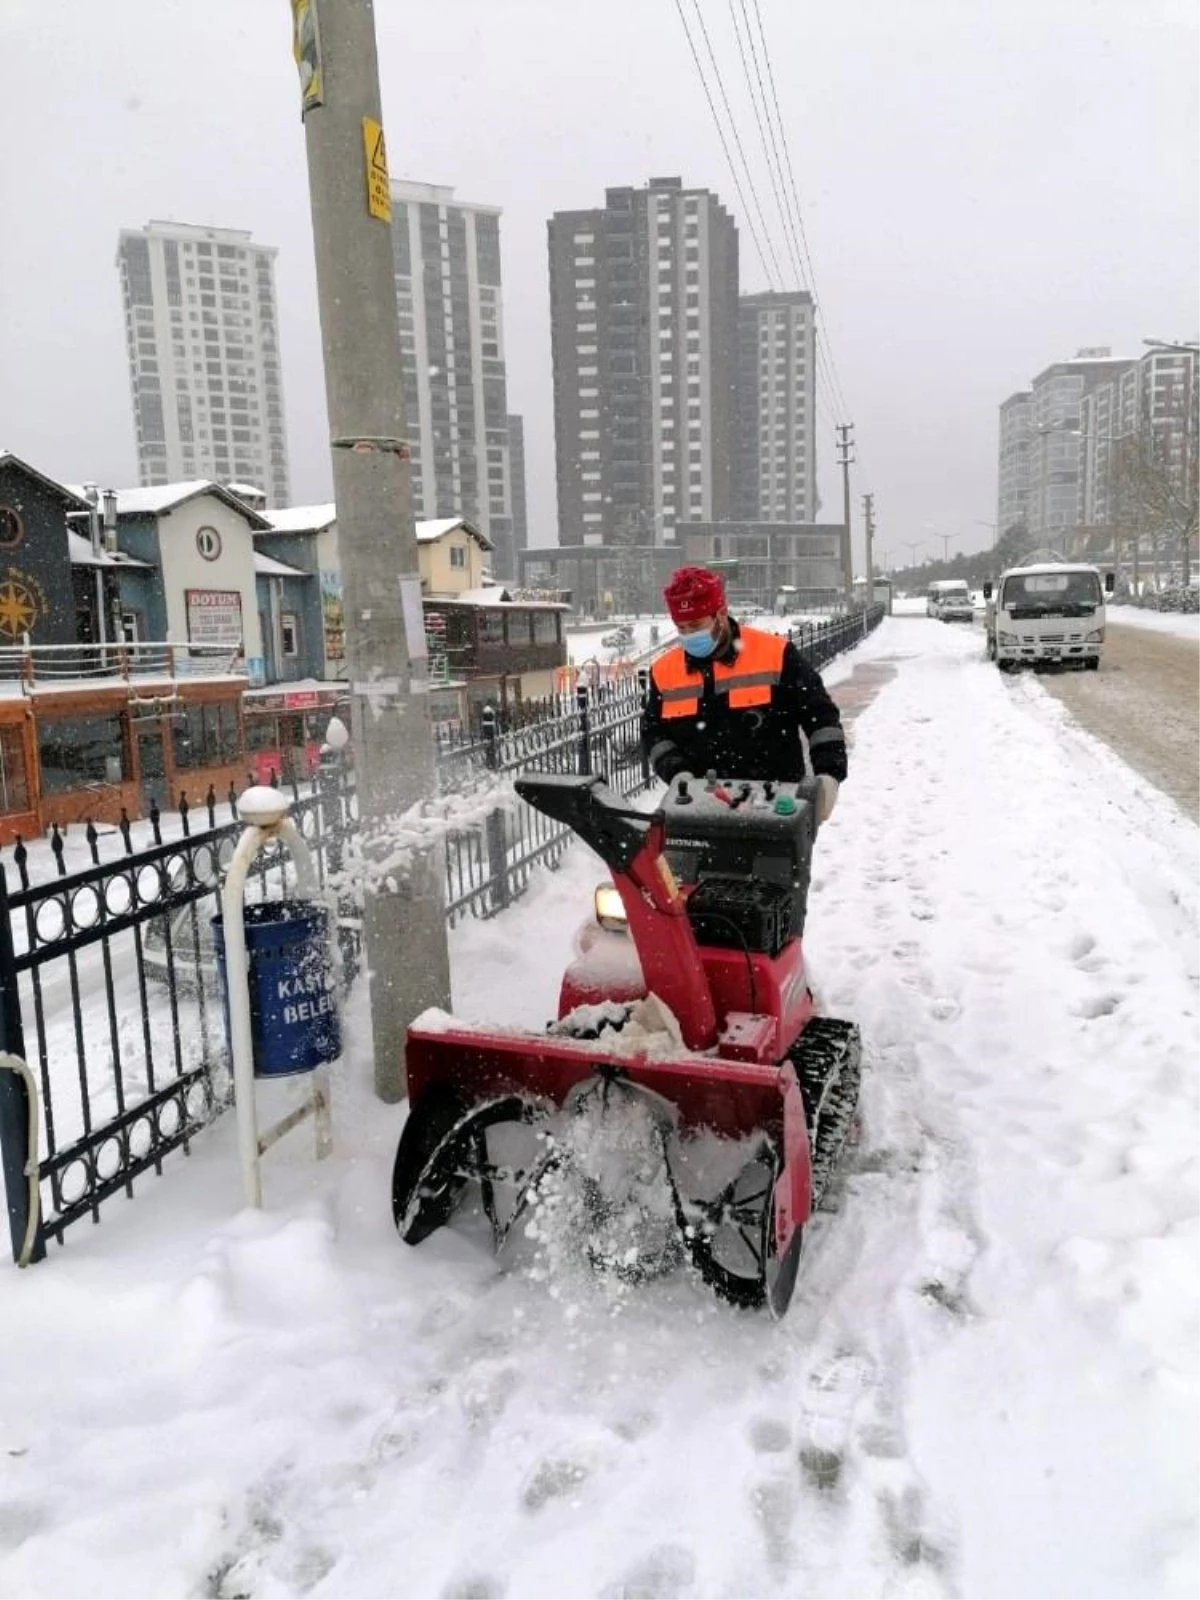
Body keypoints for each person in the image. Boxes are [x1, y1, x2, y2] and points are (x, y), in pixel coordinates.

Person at [642, 566, 847, 823]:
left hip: (775, 807)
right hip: (701, 808)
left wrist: (829, 774)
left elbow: (821, 715)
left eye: (695, 625)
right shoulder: (664, 671)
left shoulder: (776, 654)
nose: (688, 635)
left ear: (722, 614)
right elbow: (654, 732)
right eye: (680, 627)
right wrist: (676, 772)